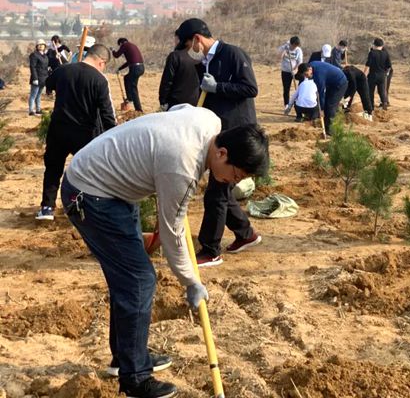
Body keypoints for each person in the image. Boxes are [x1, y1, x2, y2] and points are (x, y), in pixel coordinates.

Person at [60, 105, 269, 398]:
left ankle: (126, 357)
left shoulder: (210, 120)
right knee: (138, 280)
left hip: (112, 187)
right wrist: (191, 281)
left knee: (130, 279)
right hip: (91, 195)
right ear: (222, 153)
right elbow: (173, 233)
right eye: (235, 175)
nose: (233, 183)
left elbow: (179, 109)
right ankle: (134, 379)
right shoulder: (182, 166)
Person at [176, 18, 262, 268]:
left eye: (188, 45)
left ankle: (211, 249)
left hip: (238, 134)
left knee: (216, 193)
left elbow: (250, 88)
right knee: (221, 191)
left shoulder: (232, 54)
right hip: (220, 134)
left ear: (197, 39)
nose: (189, 50)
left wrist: (218, 87)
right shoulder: (206, 62)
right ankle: (246, 234)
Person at [36, 44, 117, 221]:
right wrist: (114, 136)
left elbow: (48, 84)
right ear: (102, 62)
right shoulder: (99, 80)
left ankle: (47, 208)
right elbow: (107, 114)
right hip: (85, 134)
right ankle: (79, 205)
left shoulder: (63, 70)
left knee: (53, 168)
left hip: (58, 129)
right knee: (87, 171)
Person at [296, 61, 347, 134]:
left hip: (340, 83)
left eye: (306, 74)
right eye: (304, 75)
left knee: (330, 105)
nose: (306, 77)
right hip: (331, 83)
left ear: (310, 69)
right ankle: (326, 126)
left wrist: (321, 109)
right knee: (326, 103)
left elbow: (320, 93)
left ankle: (330, 129)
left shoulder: (318, 75)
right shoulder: (310, 66)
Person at [158, 30, 203, 110]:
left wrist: (163, 101)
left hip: (176, 104)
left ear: (180, 39)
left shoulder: (175, 56)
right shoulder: (200, 57)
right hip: (196, 104)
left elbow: (167, 81)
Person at [112, 37, 145, 112]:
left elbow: (116, 55)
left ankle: (138, 109)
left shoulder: (124, 45)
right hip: (141, 67)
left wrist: (113, 50)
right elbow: (128, 62)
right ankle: (129, 98)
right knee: (126, 78)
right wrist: (119, 68)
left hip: (135, 68)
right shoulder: (132, 45)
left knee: (133, 88)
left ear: (121, 43)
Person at [364, 38, 392, 110]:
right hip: (382, 76)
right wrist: (386, 73)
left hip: (373, 75)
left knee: (370, 92)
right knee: (382, 91)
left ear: (374, 45)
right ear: (382, 45)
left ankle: (371, 107)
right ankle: (384, 106)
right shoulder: (385, 53)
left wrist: (364, 75)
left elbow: (368, 65)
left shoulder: (372, 53)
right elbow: (389, 66)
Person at [278, 36, 303, 107]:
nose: (295, 47)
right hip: (285, 71)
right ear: (291, 44)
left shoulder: (298, 50)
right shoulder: (284, 47)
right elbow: (279, 57)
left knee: (301, 85)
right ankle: (286, 105)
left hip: (295, 71)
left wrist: (295, 69)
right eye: (294, 46)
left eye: (296, 46)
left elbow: (299, 62)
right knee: (286, 89)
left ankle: (300, 102)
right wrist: (284, 51)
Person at [28, 39, 49, 116]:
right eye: (39, 45)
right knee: (33, 95)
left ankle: (38, 109)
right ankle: (31, 110)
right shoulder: (34, 55)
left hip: (43, 78)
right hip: (37, 78)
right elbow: (32, 67)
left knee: (39, 95)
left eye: (42, 45)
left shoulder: (45, 56)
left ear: (44, 46)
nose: (40, 46)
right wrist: (35, 78)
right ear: (36, 46)